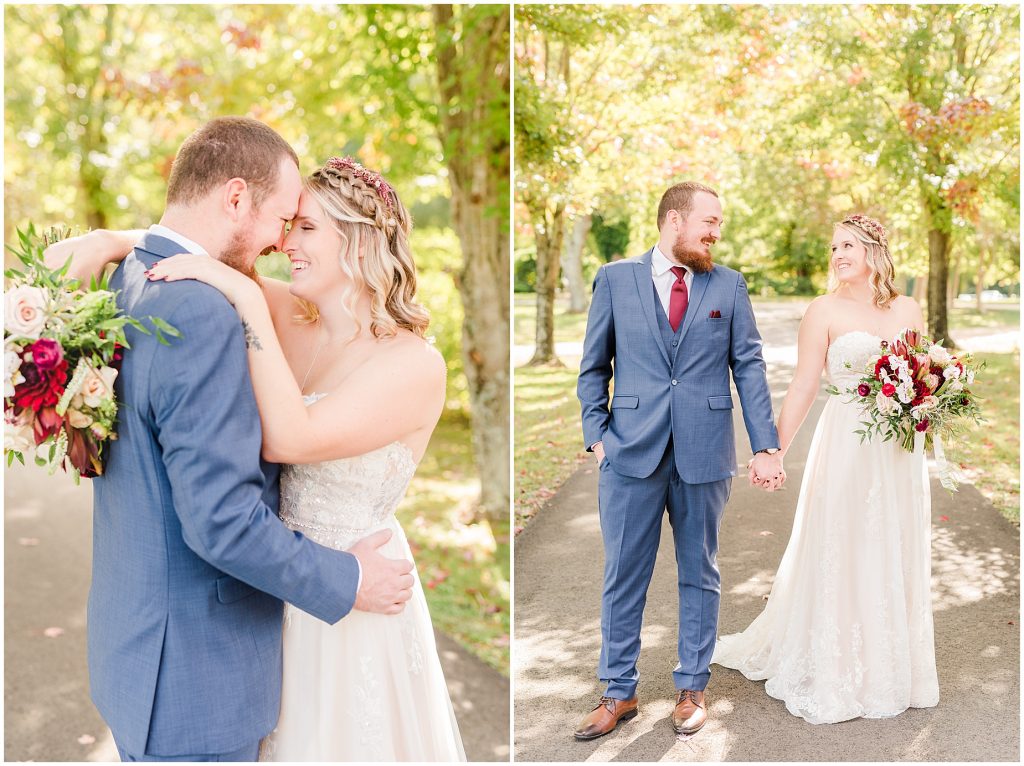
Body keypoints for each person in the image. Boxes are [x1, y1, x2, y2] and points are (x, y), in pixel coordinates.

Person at [46, 121, 463, 760]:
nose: (284, 243)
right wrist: (108, 238)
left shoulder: (410, 363)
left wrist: (240, 290)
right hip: (272, 602)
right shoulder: (291, 317)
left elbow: (291, 437)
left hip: (349, 597)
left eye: (306, 227)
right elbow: (182, 246)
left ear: (360, 241)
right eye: (287, 222)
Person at [574, 181, 783, 740]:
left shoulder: (729, 286)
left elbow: (751, 368)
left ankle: (692, 686)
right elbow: (593, 366)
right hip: (629, 452)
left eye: (719, 224)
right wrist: (598, 436)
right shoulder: (615, 280)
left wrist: (765, 445)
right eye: (709, 222)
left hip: (704, 452)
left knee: (701, 573)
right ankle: (618, 691)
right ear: (673, 220)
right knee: (623, 576)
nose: (717, 232)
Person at [712, 214, 939, 724]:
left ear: (874, 251)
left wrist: (929, 406)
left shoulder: (908, 307)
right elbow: (804, 387)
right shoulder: (823, 310)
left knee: (892, 543)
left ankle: (890, 667)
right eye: (834, 247)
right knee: (844, 541)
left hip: (898, 449)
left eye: (848, 245)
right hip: (846, 442)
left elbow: (922, 374)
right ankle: (837, 664)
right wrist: (772, 450)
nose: (837, 255)